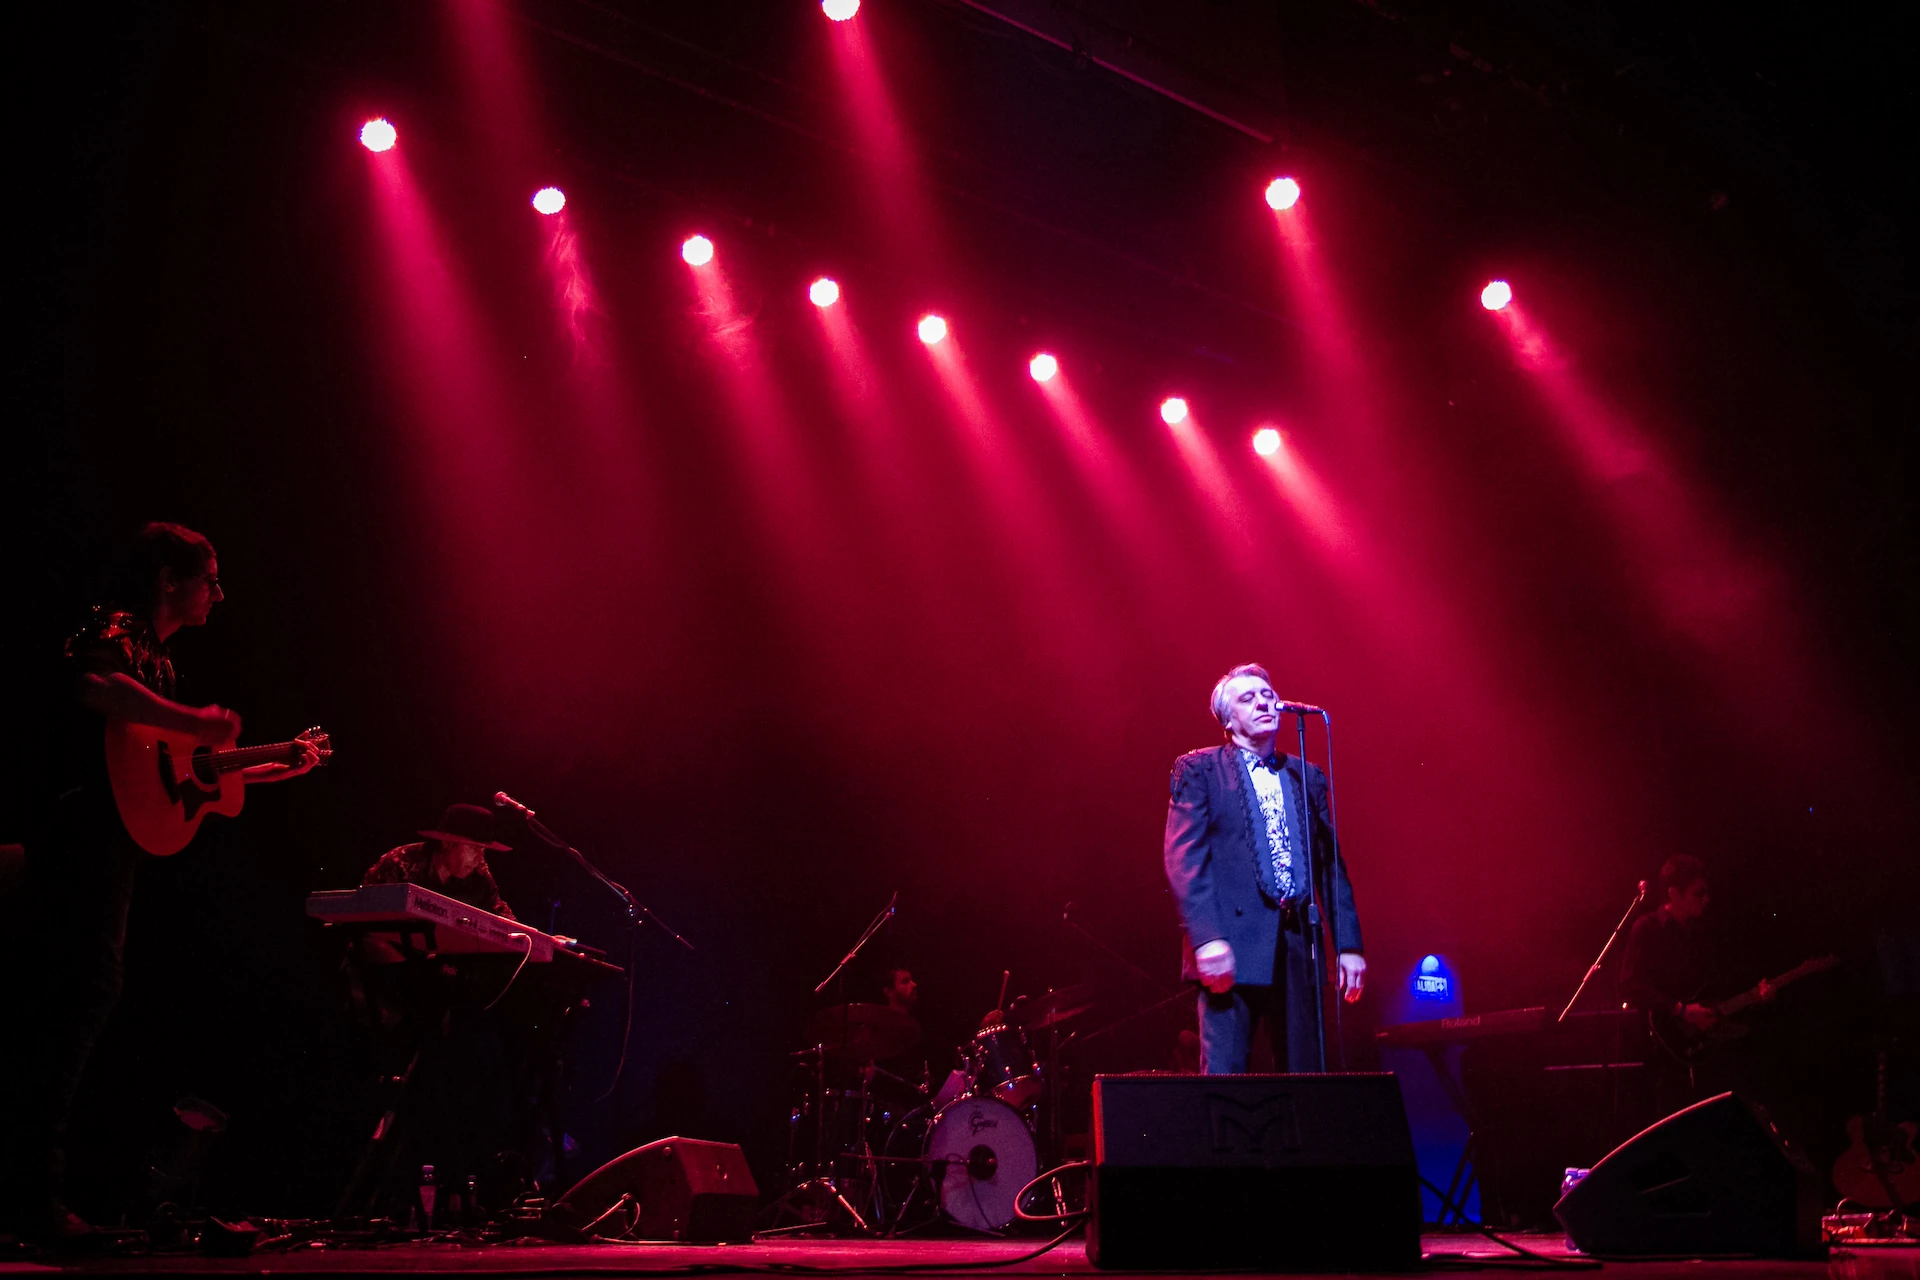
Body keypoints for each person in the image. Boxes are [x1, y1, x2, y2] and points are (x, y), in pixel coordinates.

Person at [6, 522, 322, 1242]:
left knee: (88, 998)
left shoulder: (163, 664)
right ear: (167, 579)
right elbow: (93, 686)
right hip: (78, 835)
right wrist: (197, 721)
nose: (218, 592)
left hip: (114, 847)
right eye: (208, 577)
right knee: (75, 996)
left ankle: (44, 1191)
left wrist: (276, 764)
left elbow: (189, 777)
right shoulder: (119, 629)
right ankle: (31, 1198)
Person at [1162, 663, 1366, 1075]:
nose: (1263, 702)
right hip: (1230, 948)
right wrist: (1206, 939)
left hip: (1296, 946)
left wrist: (1348, 944)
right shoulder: (1201, 769)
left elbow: (1329, 863)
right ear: (1228, 719)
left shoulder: (1304, 774)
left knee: (1306, 1075)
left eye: (1267, 694)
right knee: (1226, 1076)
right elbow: (1183, 858)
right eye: (1247, 698)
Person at [1620, 855, 1771, 1107]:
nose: (1706, 899)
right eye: (1698, 893)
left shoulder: (1702, 931)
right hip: (1663, 1049)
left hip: (1706, 1045)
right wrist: (1680, 1010)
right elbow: (1629, 985)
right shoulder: (1647, 928)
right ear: (1674, 894)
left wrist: (1755, 997)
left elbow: (1715, 985)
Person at [360, 803, 515, 918]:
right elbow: (363, 917)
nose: (481, 858)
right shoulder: (400, 862)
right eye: (475, 849)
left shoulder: (480, 878)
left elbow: (507, 925)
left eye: (484, 851)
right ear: (447, 844)